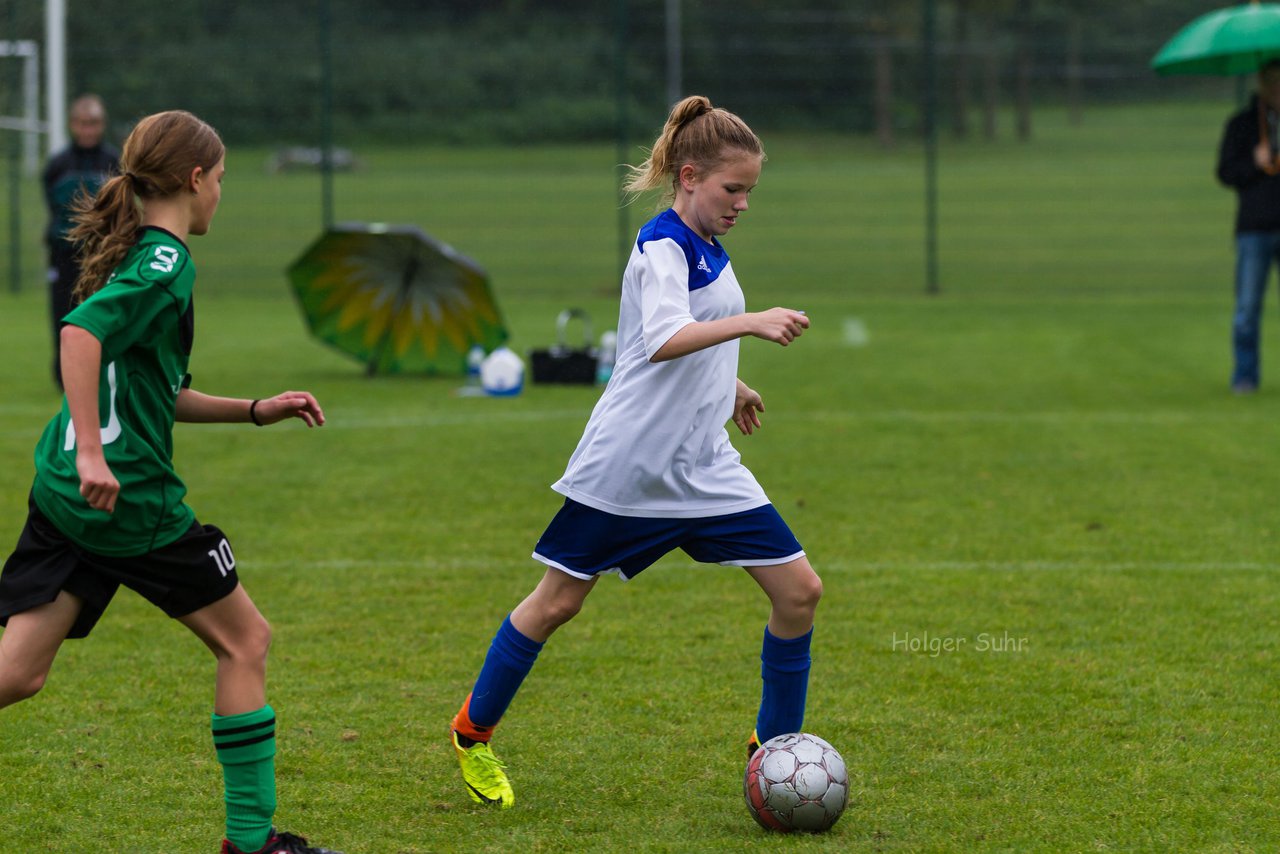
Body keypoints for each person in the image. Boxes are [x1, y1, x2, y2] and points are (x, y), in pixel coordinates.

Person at [449, 95, 821, 808]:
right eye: (731, 189)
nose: (743, 203)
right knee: (557, 603)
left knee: (799, 592)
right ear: (689, 176)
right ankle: (472, 732)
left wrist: (729, 382)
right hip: (631, 466)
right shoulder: (663, 244)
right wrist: (754, 323)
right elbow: (661, 337)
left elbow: (690, 336)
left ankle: (772, 757)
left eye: (749, 191)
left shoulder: (709, 244)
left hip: (703, 466)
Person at [0, 111, 340, 854]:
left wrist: (256, 410)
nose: (221, 195)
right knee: (246, 641)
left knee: (17, 673)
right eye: (220, 181)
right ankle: (251, 843)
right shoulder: (165, 263)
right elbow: (79, 335)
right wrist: (95, 451)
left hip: (65, 495)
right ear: (193, 181)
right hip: (126, 504)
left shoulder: (143, 261)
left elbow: (156, 393)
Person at [42, 94, 120, 390]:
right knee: (63, 314)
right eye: (83, 123)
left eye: (94, 123)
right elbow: (54, 210)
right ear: (73, 125)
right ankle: (65, 378)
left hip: (102, 256)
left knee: (100, 315)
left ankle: (101, 374)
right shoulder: (58, 165)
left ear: (102, 125)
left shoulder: (114, 162)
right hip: (64, 256)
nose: (88, 130)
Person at [1217, 60, 1280, 394]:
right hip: (1254, 228)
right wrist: (1255, 163)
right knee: (1247, 308)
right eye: (1272, 82)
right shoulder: (1242, 125)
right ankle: (1244, 376)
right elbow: (1226, 173)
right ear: (1262, 84)